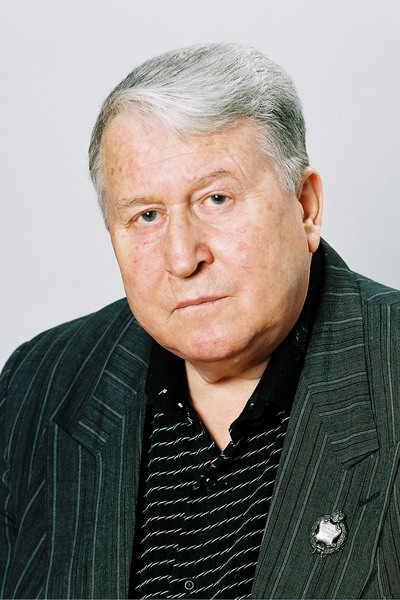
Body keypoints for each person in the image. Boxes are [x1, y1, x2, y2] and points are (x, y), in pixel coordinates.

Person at [1, 43, 400, 600]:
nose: (184, 257)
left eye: (216, 199)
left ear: (306, 206)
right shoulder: (38, 383)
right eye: (147, 215)